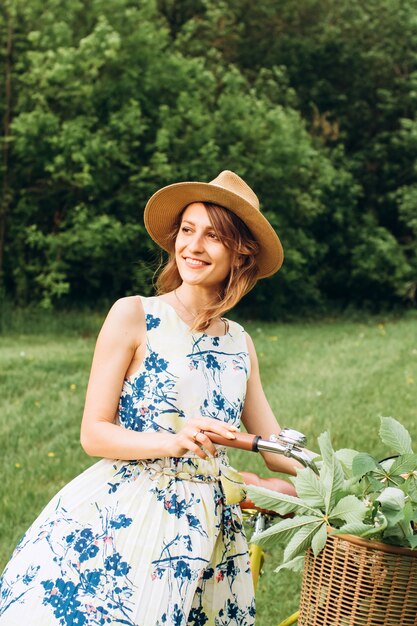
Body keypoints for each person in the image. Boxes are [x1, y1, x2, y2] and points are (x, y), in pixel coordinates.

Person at [0, 170, 300, 626]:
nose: (193, 246)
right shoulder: (136, 315)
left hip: (210, 528)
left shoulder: (239, 342)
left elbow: (274, 446)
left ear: (242, 250)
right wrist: (172, 442)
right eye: (187, 230)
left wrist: (355, 484)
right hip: (134, 512)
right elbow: (94, 433)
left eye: (213, 236)